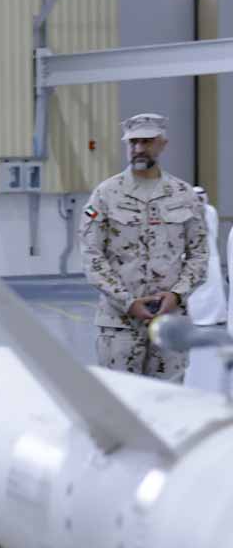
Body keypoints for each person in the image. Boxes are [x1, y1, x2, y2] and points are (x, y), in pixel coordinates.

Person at [80, 112, 208, 382]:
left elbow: (199, 253)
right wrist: (127, 302)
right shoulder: (106, 194)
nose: (138, 148)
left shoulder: (183, 195)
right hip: (119, 323)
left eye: (147, 141)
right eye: (133, 142)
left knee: (168, 398)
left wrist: (176, 295)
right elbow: (92, 256)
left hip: (170, 320)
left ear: (163, 144)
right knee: (120, 397)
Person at [183, 186, 227, 392]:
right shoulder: (185, 211)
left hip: (211, 257)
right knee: (196, 292)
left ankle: (215, 316)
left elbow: (213, 232)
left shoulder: (211, 211)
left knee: (213, 290)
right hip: (193, 259)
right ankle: (197, 317)